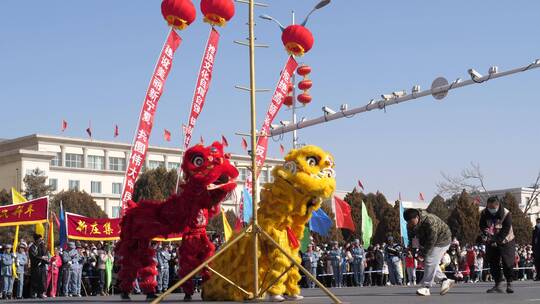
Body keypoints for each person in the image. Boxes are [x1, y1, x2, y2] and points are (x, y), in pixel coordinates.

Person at [404, 208, 454, 296]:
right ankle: (444, 280)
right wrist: (412, 251)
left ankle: (426, 287)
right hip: (428, 241)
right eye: (408, 222)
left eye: (411, 222)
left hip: (442, 239)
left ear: (417, 217)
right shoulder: (409, 225)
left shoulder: (430, 220)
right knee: (426, 262)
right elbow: (413, 239)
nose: (409, 225)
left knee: (430, 259)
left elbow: (432, 241)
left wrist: (423, 254)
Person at [480, 196, 516, 293]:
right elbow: (482, 225)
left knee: (507, 262)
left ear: (498, 205)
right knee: (492, 261)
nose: (491, 210)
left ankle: (509, 283)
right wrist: (485, 233)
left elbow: (505, 230)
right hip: (491, 240)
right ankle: (498, 283)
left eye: (493, 208)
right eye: (489, 207)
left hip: (506, 240)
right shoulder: (484, 213)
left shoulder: (506, 213)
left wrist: (497, 241)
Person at [28, 233, 48, 298]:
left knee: (42, 280)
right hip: (35, 266)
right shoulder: (32, 248)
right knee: (35, 280)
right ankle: (33, 293)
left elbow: (44, 254)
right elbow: (33, 256)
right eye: (39, 240)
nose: (40, 241)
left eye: (41, 240)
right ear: (36, 240)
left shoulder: (41, 246)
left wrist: (45, 258)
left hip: (42, 266)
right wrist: (41, 258)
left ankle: (41, 293)